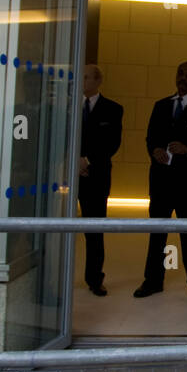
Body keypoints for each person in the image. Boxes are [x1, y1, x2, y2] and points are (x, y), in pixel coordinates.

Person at [135, 60, 187, 301]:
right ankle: (153, 280)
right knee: (157, 234)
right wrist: (155, 150)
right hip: (161, 181)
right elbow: (150, 137)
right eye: (180, 73)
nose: (183, 78)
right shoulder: (161, 106)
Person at [77, 64, 123, 296]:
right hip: (68, 176)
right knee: (57, 228)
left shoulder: (113, 109)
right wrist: (73, 162)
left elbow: (112, 143)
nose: (82, 80)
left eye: (86, 77)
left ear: (97, 81)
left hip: (96, 176)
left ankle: (94, 278)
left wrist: (87, 161)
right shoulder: (67, 107)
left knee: (94, 230)